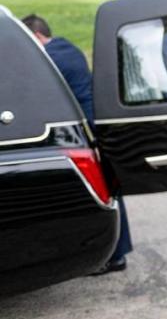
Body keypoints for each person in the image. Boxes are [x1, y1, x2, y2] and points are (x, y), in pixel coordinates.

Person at [21, 14, 133, 275]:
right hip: (97, 125)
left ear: (37, 36)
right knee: (109, 192)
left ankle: (114, 256)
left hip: (87, 132)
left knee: (102, 194)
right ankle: (116, 253)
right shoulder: (66, 46)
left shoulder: (51, 58)